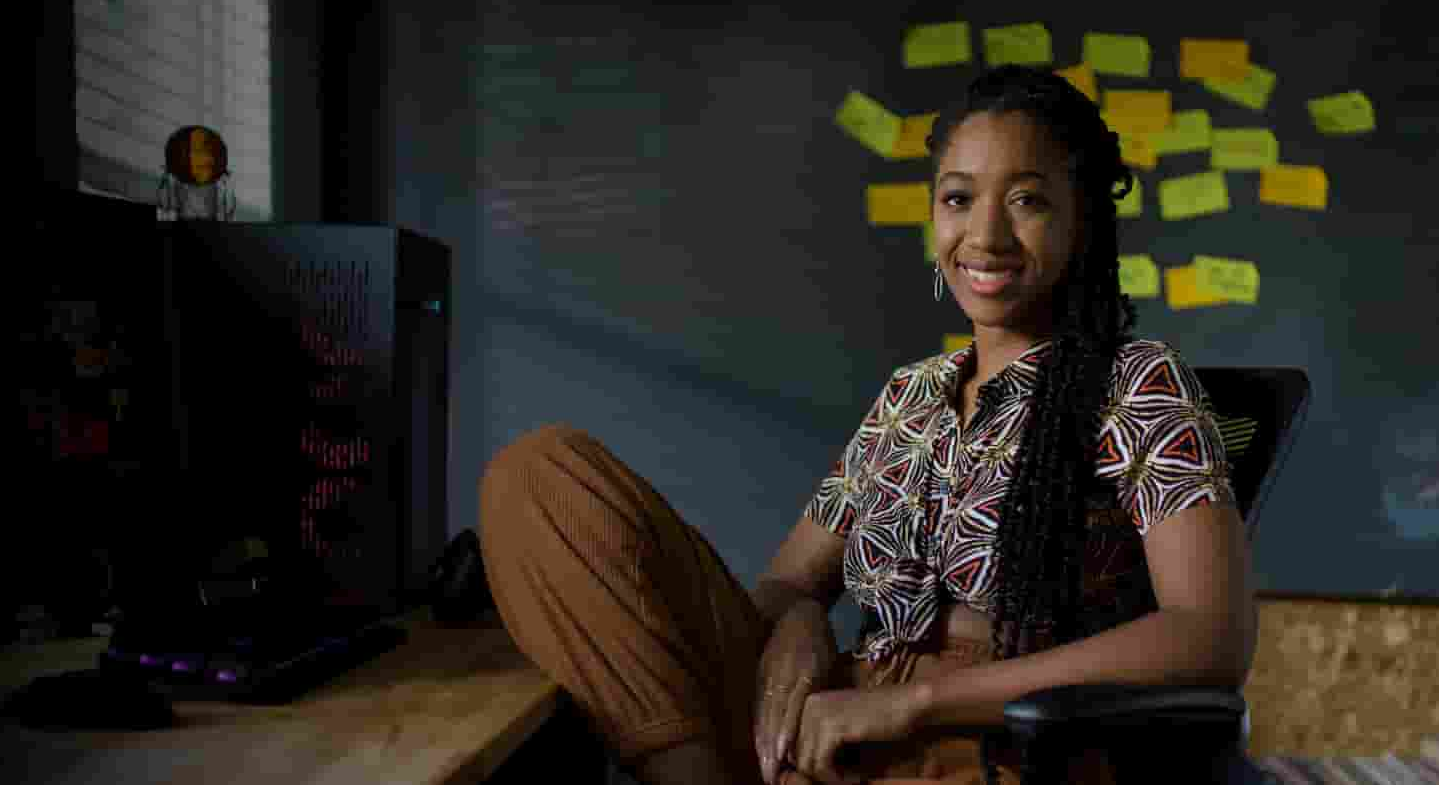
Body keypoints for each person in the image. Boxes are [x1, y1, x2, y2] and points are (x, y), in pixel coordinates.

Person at [476, 64, 1256, 785]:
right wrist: (804, 621)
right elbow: (783, 584)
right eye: (957, 198)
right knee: (541, 476)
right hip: (826, 720)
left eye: (1027, 199)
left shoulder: (1135, 381)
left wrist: (911, 704)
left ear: (1081, 219)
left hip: (994, 744)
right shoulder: (907, 397)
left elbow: (1208, 637)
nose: (983, 236)